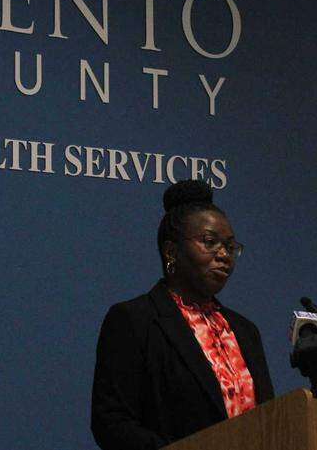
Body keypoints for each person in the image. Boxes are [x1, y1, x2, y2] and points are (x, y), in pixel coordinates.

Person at [91, 180, 274, 450]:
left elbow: (269, 418)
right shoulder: (134, 321)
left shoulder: (245, 330)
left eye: (230, 246)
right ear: (172, 252)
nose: (224, 255)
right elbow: (111, 423)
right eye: (210, 242)